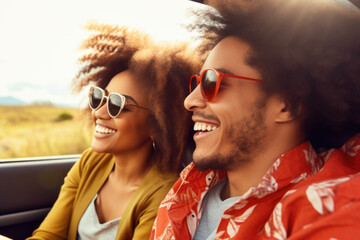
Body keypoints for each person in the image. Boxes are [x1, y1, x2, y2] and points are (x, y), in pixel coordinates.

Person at [151, 0, 360, 239]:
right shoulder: (187, 189)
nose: (190, 100)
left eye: (212, 82)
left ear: (287, 105)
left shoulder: (327, 205)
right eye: (196, 83)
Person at [27, 22, 201, 240]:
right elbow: (47, 236)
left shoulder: (164, 193)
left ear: (157, 126)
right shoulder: (90, 162)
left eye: (117, 106)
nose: (99, 113)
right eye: (99, 98)